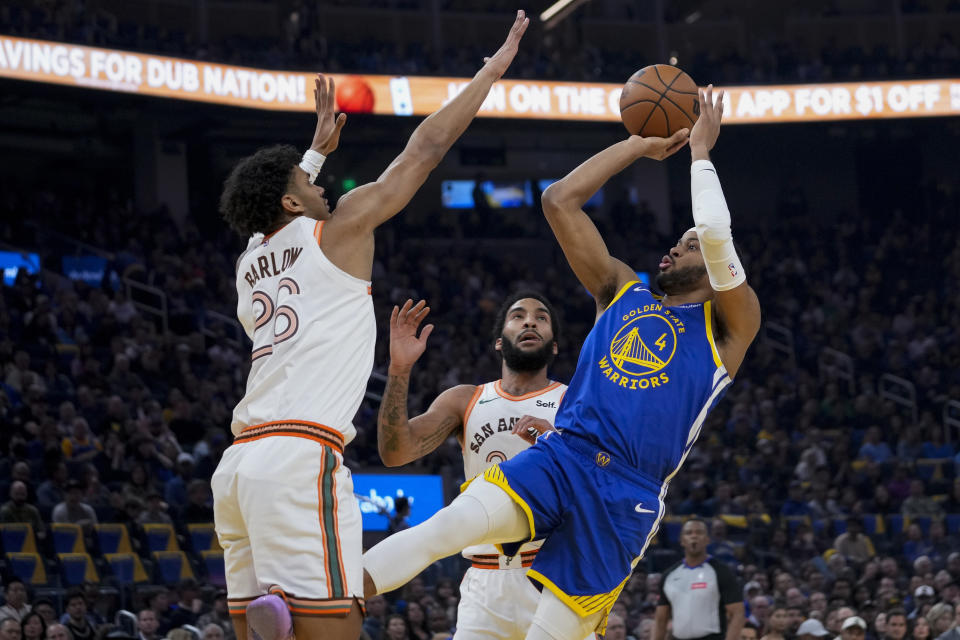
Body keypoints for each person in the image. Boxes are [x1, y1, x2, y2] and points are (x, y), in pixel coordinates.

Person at [363, 85, 760, 640]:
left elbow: (717, 235)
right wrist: (637, 145)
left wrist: (699, 155)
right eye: (677, 241)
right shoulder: (622, 291)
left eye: (687, 245)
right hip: (564, 452)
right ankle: (322, 602)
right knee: (445, 527)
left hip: (628, 491)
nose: (674, 247)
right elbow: (559, 201)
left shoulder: (731, 327)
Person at [210, 12, 530, 640]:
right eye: (309, 182)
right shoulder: (343, 227)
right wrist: (491, 69)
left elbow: (266, 221)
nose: (322, 186)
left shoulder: (248, 263)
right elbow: (425, 150)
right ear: (290, 201)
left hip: (239, 468)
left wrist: (313, 155)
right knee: (335, 626)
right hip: (300, 456)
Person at [376, 294, 573, 640]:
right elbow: (394, 452)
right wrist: (399, 369)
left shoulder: (574, 401)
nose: (529, 322)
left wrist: (558, 444)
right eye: (518, 316)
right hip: (484, 583)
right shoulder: (465, 400)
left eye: (541, 318)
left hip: (554, 576)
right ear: (499, 341)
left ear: (554, 345)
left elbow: (604, 479)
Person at [655, 519, 744, 640]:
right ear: (681, 540)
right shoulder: (668, 575)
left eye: (699, 532)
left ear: (707, 539)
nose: (694, 536)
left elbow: (738, 613)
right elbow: (661, 620)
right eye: (689, 532)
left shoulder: (721, 572)